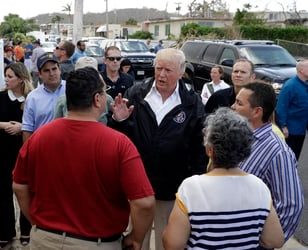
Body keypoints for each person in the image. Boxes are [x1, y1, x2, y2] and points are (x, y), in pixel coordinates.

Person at [13, 67, 156, 250]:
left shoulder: (38, 138)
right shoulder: (119, 144)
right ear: (97, 99)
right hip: (97, 243)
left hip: (44, 239)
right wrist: (136, 238)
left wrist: (37, 222)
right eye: (104, 92)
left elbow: (19, 186)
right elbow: (144, 203)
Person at [109, 48, 208, 250]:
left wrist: (195, 182)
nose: (162, 75)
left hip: (173, 188)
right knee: (136, 242)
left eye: (168, 70)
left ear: (181, 73)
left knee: (169, 241)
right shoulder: (137, 94)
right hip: (138, 184)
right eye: (159, 68)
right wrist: (118, 121)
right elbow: (121, 139)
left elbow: (199, 146)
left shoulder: (191, 101)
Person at [162, 107, 284, 250]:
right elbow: (275, 240)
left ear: (210, 150)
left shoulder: (191, 188)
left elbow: (173, 244)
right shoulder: (259, 187)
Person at [231, 81, 304, 246]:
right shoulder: (239, 137)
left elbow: (291, 205)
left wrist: (265, 242)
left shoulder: (278, 152)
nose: (232, 106)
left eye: (239, 103)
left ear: (257, 112)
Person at [0, 62, 33, 248]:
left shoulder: (32, 97)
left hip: (26, 151)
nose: (6, 79)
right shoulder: (0, 97)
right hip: (4, 151)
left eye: (10, 76)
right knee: (4, 192)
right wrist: (6, 125)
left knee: (27, 190)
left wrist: (21, 127)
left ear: (21, 79)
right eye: (5, 76)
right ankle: (6, 233)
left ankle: (27, 230)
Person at [54, 56, 113, 125]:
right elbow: (57, 124)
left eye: (92, 73)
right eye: (83, 73)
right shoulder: (63, 100)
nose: (87, 77)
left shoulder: (106, 98)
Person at [22, 52, 66, 142]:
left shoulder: (73, 89)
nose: (51, 73)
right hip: (43, 147)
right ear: (40, 74)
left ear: (60, 69)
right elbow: (27, 129)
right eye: (46, 70)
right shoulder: (32, 98)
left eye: (54, 69)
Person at [275, 59, 308, 160]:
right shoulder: (290, 86)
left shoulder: (305, 84)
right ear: (301, 70)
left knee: (296, 156)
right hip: (291, 130)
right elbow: (281, 107)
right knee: (289, 157)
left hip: (301, 129)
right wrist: (283, 126)